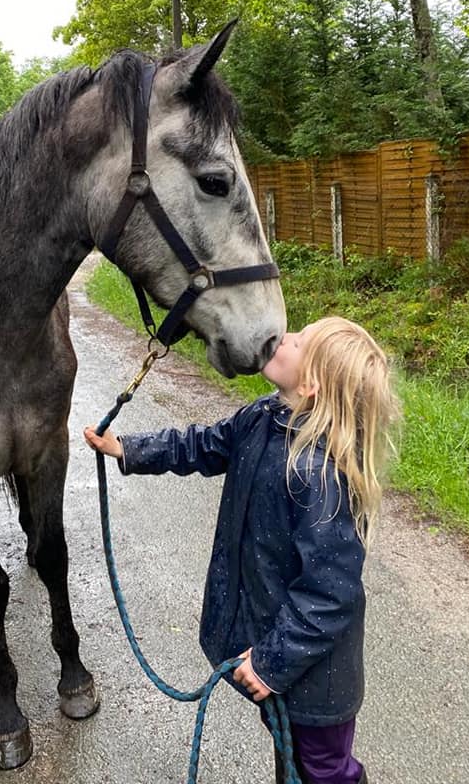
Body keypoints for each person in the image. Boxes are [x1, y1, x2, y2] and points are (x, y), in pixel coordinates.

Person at [84, 316, 400, 784]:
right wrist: (128, 449)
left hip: (315, 685)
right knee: (288, 753)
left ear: (312, 384)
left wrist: (271, 663)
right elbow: (203, 445)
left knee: (323, 770)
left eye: (298, 341)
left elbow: (329, 597)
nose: (282, 335)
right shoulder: (263, 418)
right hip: (282, 661)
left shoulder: (321, 478)